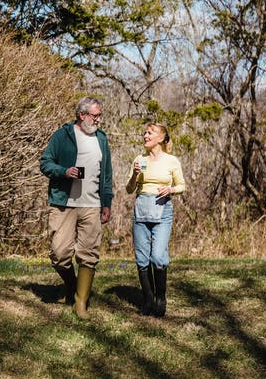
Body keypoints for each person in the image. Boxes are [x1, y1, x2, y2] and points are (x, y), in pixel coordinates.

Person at [40, 97, 113, 319]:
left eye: (100, 115)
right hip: (64, 203)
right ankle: (71, 286)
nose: (99, 120)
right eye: (95, 116)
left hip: (91, 204)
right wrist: (64, 171)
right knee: (59, 254)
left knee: (89, 254)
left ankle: (81, 304)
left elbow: (106, 175)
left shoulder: (101, 139)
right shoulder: (63, 136)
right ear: (82, 115)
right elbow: (45, 162)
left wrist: (106, 202)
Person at [126, 123, 185, 318]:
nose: (145, 135)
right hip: (141, 209)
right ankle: (149, 300)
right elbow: (129, 189)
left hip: (162, 209)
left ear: (160, 138)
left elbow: (181, 185)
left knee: (158, 256)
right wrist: (135, 175)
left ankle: (161, 299)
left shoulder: (171, 161)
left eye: (150, 133)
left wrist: (171, 190)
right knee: (142, 259)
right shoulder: (139, 159)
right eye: (144, 132)